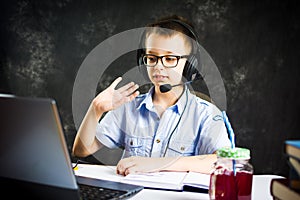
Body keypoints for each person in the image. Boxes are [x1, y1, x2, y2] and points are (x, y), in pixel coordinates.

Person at [72, 15, 231, 176]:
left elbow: (226, 162)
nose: (158, 66)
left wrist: (157, 164)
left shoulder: (206, 114)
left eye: (170, 59)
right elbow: (81, 150)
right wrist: (96, 109)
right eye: (152, 58)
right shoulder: (128, 107)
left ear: (190, 65)